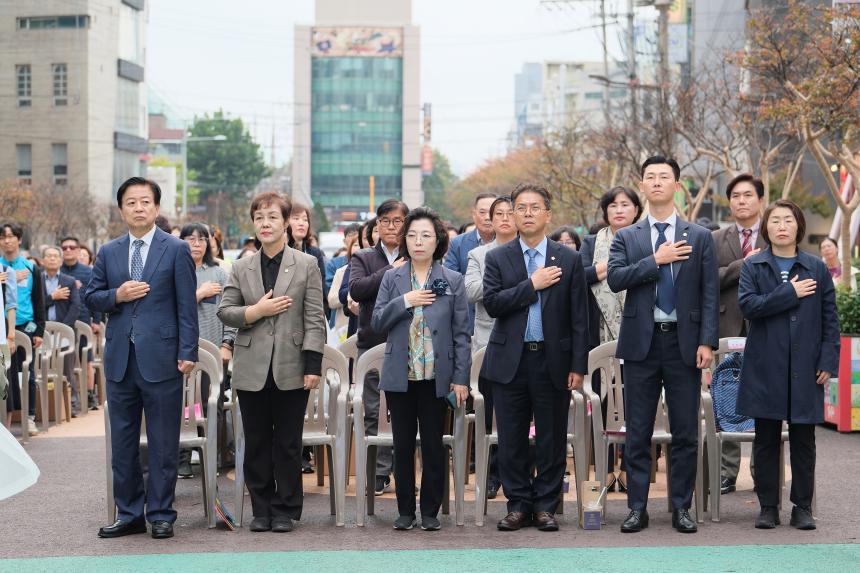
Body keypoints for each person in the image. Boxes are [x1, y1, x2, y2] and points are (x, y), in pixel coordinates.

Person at [607, 156, 719, 534]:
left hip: (685, 344)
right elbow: (617, 279)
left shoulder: (699, 236)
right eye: (650, 177)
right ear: (642, 185)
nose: (657, 182)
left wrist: (707, 341)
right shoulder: (627, 236)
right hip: (642, 344)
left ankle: (681, 508)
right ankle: (637, 507)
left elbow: (709, 293)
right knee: (637, 430)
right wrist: (656, 259)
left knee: (685, 430)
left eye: (664, 177)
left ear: (677, 185)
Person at [86, 177, 199, 540]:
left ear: (156, 208)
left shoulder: (176, 249)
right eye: (131, 202)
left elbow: (186, 306)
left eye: (145, 201)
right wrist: (116, 295)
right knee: (122, 442)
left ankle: (162, 513)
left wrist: (187, 351)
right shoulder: (108, 252)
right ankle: (130, 513)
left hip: (164, 358)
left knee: (164, 441)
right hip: (120, 359)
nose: (138, 207)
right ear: (121, 210)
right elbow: (92, 298)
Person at [481, 183, 589, 532]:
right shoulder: (497, 257)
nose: (527, 214)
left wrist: (578, 365)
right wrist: (532, 284)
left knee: (551, 437)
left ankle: (546, 505)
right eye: (521, 208)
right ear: (511, 215)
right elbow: (494, 303)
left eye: (534, 207)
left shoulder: (569, 258)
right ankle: (518, 505)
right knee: (511, 438)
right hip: (510, 361)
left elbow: (579, 317)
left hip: (552, 360)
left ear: (548, 214)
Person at [217, 191, 326, 533]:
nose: (265, 224)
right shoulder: (241, 266)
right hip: (251, 365)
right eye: (259, 218)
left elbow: (314, 317)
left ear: (287, 223)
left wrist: (312, 365)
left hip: (292, 365)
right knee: (257, 440)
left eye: (272, 218)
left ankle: (286, 508)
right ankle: (261, 508)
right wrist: (255, 312)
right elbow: (225, 311)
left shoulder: (306, 264)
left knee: (289, 443)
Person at [737, 199, 839, 531]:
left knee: (803, 438)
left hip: (806, 365)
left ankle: (802, 506)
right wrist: (790, 292)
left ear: (799, 226)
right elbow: (749, 306)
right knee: (765, 438)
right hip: (766, 364)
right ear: (766, 228)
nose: (781, 226)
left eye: (788, 220)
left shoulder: (816, 267)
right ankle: (768, 506)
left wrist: (827, 359)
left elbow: (829, 319)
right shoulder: (754, 265)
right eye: (775, 220)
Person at [371, 207, 471, 531]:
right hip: (401, 377)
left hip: (435, 379)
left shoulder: (452, 280)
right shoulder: (392, 277)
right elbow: (377, 322)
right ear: (405, 240)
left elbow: (461, 335)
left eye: (426, 235)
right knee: (401, 446)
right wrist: (406, 301)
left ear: (438, 240)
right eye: (412, 235)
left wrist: (460, 379)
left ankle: (429, 510)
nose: (418, 241)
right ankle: (404, 510)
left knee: (432, 445)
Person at [580, 186, 642, 491]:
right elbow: (577, 278)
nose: (619, 210)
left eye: (626, 204)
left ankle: (631, 468)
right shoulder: (591, 242)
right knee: (601, 403)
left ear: (636, 210)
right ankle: (603, 469)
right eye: (613, 205)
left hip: (638, 331)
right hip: (599, 332)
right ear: (605, 211)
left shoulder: (645, 239)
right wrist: (607, 268)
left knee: (635, 404)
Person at [349, 199, 409, 495]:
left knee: (403, 411)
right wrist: (391, 271)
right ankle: (379, 473)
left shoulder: (418, 256)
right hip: (372, 343)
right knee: (374, 412)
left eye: (398, 221)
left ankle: (403, 470)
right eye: (385, 221)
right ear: (377, 225)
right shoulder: (363, 257)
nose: (391, 227)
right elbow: (357, 290)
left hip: (409, 345)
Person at [712, 173, 766, 495]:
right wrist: (742, 265)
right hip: (726, 326)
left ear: (760, 200)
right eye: (735, 196)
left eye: (748, 195)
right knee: (723, 398)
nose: (741, 201)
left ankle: (763, 472)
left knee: (764, 399)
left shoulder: (776, 234)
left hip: (763, 328)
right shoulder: (716, 238)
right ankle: (725, 472)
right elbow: (709, 280)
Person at [465, 195, 516, 500]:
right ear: (491, 220)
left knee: (521, 415)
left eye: (512, 213)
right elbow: (471, 290)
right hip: (488, 342)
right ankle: (493, 474)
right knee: (491, 413)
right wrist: (507, 285)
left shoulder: (531, 253)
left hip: (525, 341)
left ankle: (520, 475)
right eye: (500, 214)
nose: (506, 218)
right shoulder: (478, 254)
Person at [176, 223, 237, 478]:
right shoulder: (175, 271)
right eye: (191, 239)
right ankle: (182, 458)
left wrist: (227, 345)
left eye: (202, 239)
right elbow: (171, 307)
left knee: (214, 403)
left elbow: (231, 312)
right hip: (182, 351)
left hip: (214, 353)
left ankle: (215, 454)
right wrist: (199, 294)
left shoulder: (219, 273)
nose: (197, 244)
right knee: (184, 406)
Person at [1, 223, 46, 435]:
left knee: (26, 372)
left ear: (19, 239)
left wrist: (37, 331)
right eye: (2, 237)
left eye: (11, 236)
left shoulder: (30, 267)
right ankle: (5, 418)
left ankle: (29, 417)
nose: (7, 240)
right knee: (5, 374)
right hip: (2, 327)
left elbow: (39, 301)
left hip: (25, 326)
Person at [60, 236, 102, 411]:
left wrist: (97, 321)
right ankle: (68, 399)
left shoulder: (88, 271)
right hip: (62, 322)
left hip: (84, 320)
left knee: (87, 359)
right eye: (65, 247)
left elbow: (96, 295)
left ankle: (91, 394)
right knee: (66, 360)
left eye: (72, 247)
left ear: (78, 250)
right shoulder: (57, 270)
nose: (68, 250)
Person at [445, 193, 497, 332]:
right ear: (474, 215)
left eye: (492, 212)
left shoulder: (508, 242)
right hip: (466, 320)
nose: (487, 217)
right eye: (482, 212)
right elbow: (449, 279)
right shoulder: (458, 243)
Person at [41, 246, 82, 416]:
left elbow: (75, 306)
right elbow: (35, 304)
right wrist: (52, 297)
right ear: (42, 260)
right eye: (48, 256)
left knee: (66, 369)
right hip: (41, 332)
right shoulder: (37, 280)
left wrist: (63, 329)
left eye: (55, 256)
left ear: (60, 260)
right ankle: (44, 405)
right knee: (42, 368)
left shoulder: (69, 281)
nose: (52, 259)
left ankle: (71, 403)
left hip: (64, 333)